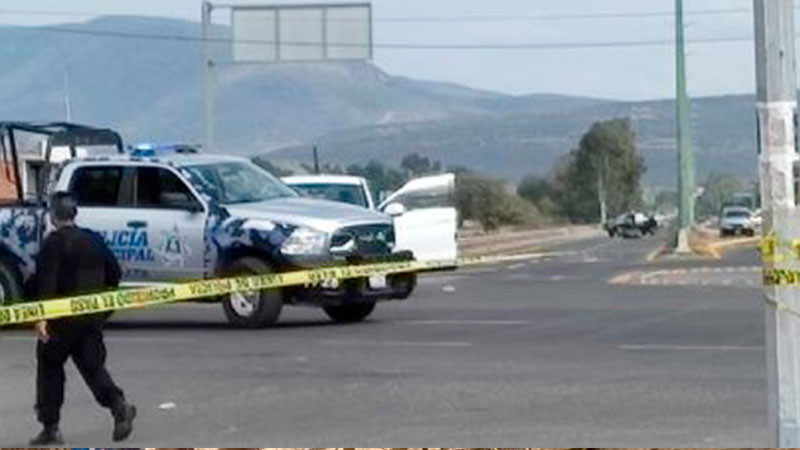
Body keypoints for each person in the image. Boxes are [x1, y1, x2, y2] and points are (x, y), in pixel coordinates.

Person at [29, 191, 136, 445]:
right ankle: (118, 405)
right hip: (90, 318)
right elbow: (114, 274)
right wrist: (102, 311)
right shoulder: (94, 240)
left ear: (54, 216)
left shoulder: (52, 244)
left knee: (50, 368)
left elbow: (47, 282)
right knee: (93, 367)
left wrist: (42, 318)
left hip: (61, 321)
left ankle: (51, 427)